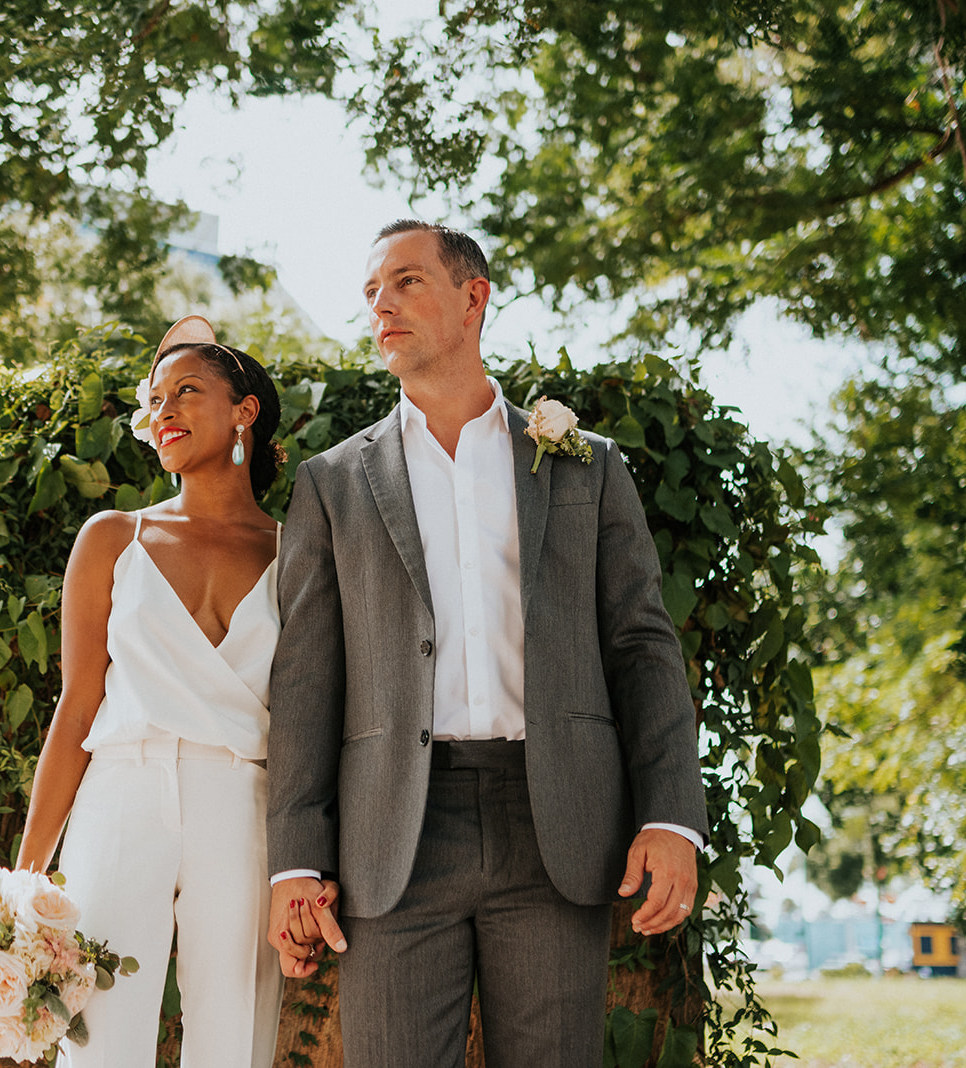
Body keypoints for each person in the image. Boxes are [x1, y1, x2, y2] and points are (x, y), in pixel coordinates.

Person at [265, 221, 711, 1067]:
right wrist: (295, 859)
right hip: (392, 828)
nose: (381, 305)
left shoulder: (586, 466)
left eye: (406, 282)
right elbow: (305, 683)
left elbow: (643, 646)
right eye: (371, 292)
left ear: (474, 299)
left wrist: (670, 816)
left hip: (555, 820)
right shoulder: (332, 483)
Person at [15, 315, 287, 1067]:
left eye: (188, 392)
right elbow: (76, 709)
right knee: (97, 1038)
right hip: (122, 790)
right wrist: (24, 876)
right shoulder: (113, 537)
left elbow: (311, 720)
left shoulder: (299, 553)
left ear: (245, 411)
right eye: (156, 398)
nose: (163, 412)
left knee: (235, 1035)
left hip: (242, 801)